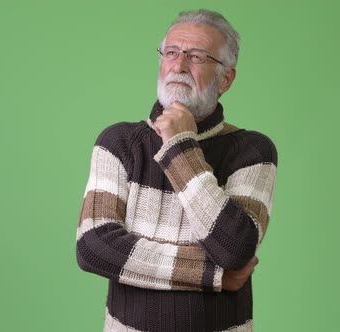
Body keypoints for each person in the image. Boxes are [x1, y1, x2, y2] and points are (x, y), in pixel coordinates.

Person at [76, 9, 278, 332]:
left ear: (226, 78)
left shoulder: (253, 152)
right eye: (171, 52)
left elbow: (234, 248)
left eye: (197, 56)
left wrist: (180, 146)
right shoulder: (118, 143)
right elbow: (94, 246)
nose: (179, 66)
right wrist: (213, 275)